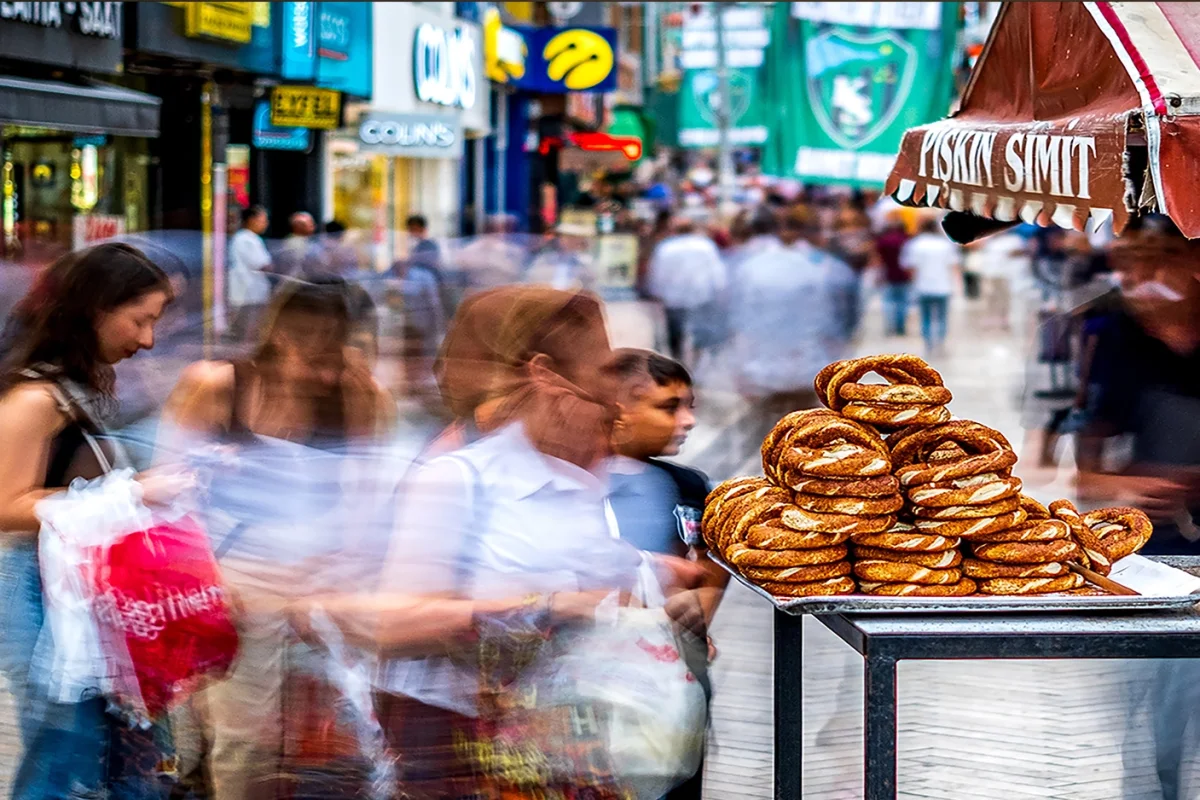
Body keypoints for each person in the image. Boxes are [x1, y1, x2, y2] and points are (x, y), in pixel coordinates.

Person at [160, 277, 395, 800]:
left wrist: (339, 579)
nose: (324, 368)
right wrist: (204, 583)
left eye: (337, 349)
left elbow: (368, 502)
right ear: (281, 334)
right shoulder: (218, 384)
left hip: (320, 577)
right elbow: (170, 491)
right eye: (313, 346)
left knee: (331, 732)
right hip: (232, 574)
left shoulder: (360, 394)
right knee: (245, 737)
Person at [0, 243, 175, 799]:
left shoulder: (76, 385)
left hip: (79, 591)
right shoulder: (36, 396)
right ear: (96, 308)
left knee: (122, 753)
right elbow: (4, 505)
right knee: (66, 755)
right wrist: (126, 494)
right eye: (139, 320)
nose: (146, 340)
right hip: (42, 592)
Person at [606, 349, 727, 800]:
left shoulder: (688, 486)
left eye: (690, 406)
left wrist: (696, 613)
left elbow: (714, 557)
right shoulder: (581, 481)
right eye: (668, 407)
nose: (688, 420)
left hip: (673, 678)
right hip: (604, 676)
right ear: (618, 409)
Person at [646, 216, 728, 363]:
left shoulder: (666, 247)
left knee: (675, 334)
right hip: (701, 295)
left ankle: (679, 363)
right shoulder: (706, 246)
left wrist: (656, 292)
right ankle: (695, 366)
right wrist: (719, 291)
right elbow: (717, 271)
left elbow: (658, 273)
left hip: (674, 297)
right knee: (700, 332)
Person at [900, 216, 961, 355]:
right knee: (941, 317)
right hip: (943, 285)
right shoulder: (945, 245)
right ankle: (940, 342)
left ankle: (928, 343)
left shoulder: (914, 244)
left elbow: (909, 266)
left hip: (922, 286)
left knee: (925, 317)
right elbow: (954, 265)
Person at [229, 205, 273, 341]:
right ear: (252, 220)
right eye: (262, 219)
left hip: (251, 292)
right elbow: (263, 265)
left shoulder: (249, 238)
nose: (265, 223)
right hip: (249, 293)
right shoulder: (246, 239)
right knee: (249, 332)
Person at [875, 211, 913, 336]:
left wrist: (878, 274)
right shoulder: (906, 240)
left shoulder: (883, 241)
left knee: (888, 302)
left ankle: (890, 326)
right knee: (903, 302)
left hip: (888, 274)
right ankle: (900, 326)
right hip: (904, 275)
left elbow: (878, 259)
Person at [277, 211, 317, 278]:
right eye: (306, 224)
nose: (312, 226)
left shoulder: (308, 240)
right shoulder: (293, 242)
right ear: (296, 226)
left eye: (312, 223)